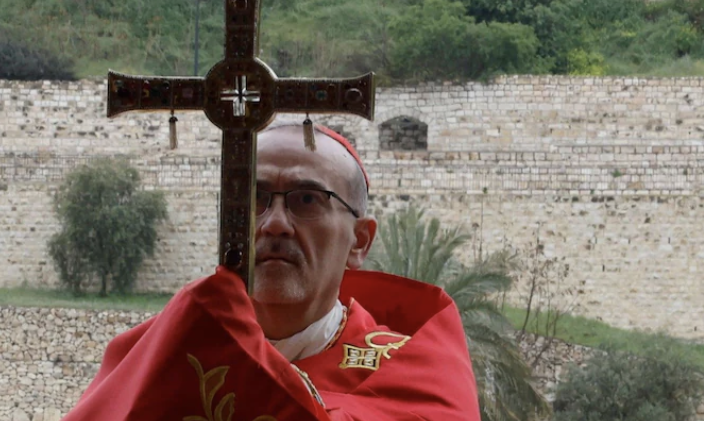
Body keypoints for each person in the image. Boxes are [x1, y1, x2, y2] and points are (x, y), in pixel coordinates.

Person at [63, 124, 480, 421]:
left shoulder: (417, 374)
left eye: (306, 200)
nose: (274, 223)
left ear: (359, 241)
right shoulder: (159, 354)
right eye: (255, 198)